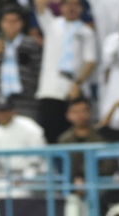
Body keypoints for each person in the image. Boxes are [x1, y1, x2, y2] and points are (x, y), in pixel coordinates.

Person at [34, 0, 98, 144]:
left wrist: (77, 83)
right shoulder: (52, 24)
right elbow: (39, 4)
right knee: (51, 135)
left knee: (75, 136)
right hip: (51, 90)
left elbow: (90, 61)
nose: (71, 8)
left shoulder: (86, 31)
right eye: (67, 4)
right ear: (61, 6)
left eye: (76, 4)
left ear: (81, 8)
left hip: (75, 92)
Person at [56, 96, 105, 188]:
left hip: (99, 184)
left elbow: (108, 165)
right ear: (68, 115)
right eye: (75, 112)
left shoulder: (102, 136)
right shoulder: (63, 140)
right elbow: (62, 166)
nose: (80, 115)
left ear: (90, 112)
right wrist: (74, 180)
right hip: (71, 186)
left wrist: (87, 179)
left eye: (83, 111)